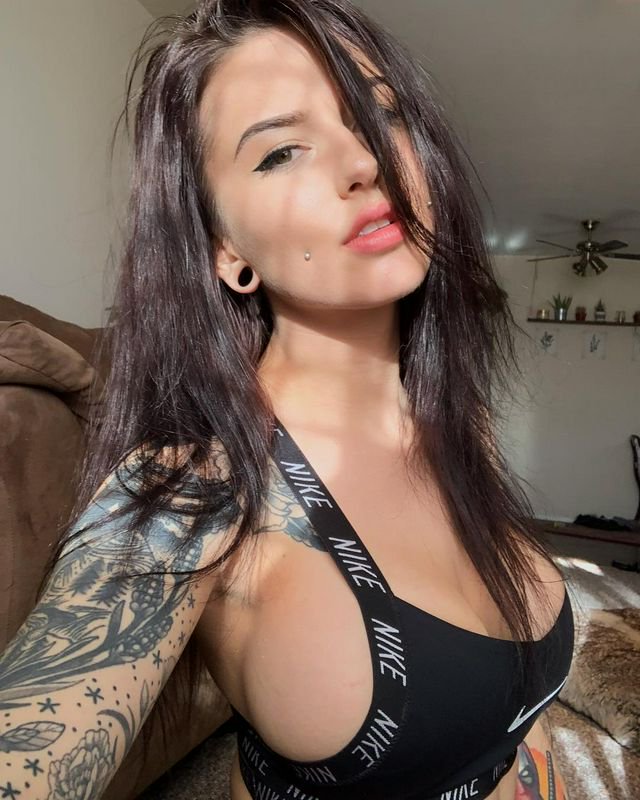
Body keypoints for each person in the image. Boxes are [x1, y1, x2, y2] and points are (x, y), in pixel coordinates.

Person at [0, 1, 574, 799]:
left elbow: (514, 723)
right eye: (279, 152)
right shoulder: (193, 489)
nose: (364, 160)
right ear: (224, 247)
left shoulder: (454, 419)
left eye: (380, 114)